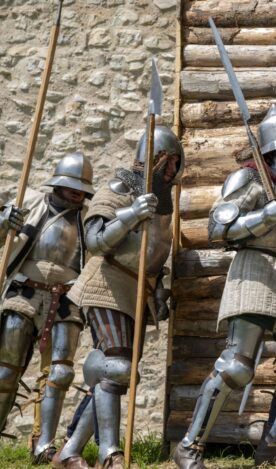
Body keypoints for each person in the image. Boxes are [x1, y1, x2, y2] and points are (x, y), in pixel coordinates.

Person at [173, 105, 276, 469]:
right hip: (257, 272)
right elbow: (217, 229)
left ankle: (272, 446)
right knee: (237, 367)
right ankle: (189, 446)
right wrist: (263, 217)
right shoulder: (250, 180)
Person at [64, 126, 183, 469]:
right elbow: (96, 241)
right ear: (150, 160)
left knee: (116, 376)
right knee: (116, 367)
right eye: (166, 161)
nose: (172, 169)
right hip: (107, 282)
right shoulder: (118, 189)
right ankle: (110, 454)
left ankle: (69, 451)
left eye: (177, 162)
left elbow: (155, 254)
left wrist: (158, 290)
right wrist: (131, 214)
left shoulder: (165, 204)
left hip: (138, 291)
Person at [0, 152, 94, 464]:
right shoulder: (29, 202)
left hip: (66, 300)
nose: (77, 191)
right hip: (24, 294)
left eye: (82, 187)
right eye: (72, 185)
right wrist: (4, 221)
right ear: (59, 183)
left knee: (61, 373)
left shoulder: (88, 219)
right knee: (5, 372)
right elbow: (3, 236)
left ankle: (44, 444)